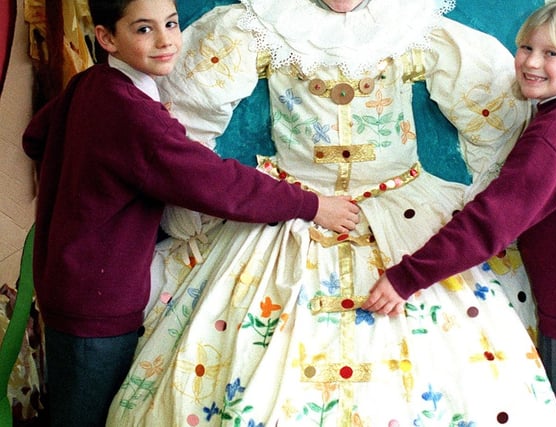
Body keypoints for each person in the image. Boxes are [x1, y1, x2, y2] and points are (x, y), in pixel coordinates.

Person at [107, 0, 556, 425]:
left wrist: (484, 196)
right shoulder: (266, 22)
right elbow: (189, 109)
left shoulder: (409, 24)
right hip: (292, 208)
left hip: (403, 208)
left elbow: (496, 106)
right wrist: (193, 206)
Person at [21, 0, 361, 425]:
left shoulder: (92, 83)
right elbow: (218, 185)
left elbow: (34, 138)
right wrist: (312, 205)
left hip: (66, 277)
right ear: (107, 37)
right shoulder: (134, 115)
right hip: (98, 301)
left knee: (72, 402)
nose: (165, 40)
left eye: (171, 23)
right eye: (143, 30)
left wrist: (80, 176)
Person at [363, 0, 556, 425]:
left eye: (552, 53)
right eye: (526, 47)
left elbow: (489, 223)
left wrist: (406, 278)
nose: (530, 62)